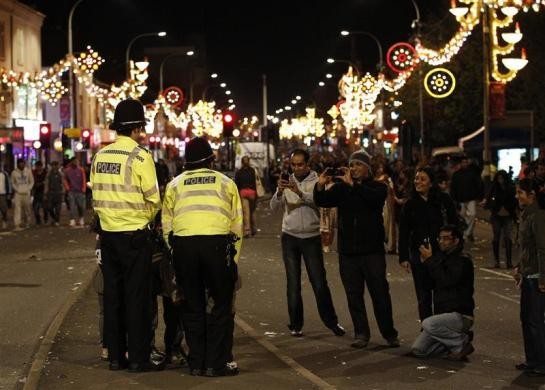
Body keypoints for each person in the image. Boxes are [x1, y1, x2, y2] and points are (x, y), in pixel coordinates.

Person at [90, 98, 162, 372]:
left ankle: (116, 357)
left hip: (108, 237)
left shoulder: (100, 156)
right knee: (137, 298)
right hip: (134, 237)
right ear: (135, 128)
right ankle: (139, 359)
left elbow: (95, 197)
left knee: (113, 297)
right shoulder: (140, 157)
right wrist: (143, 218)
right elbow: (154, 199)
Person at [162, 136, 243, 377]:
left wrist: (175, 251)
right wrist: (233, 261)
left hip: (185, 246)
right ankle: (215, 364)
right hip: (217, 245)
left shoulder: (174, 185)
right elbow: (236, 225)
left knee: (192, 306)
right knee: (220, 306)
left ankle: (196, 363)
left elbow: (167, 225)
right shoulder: (226, 183)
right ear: (210, 160)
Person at [314, 149, 399, 349]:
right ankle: (361, 333)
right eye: (351, 165)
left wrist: (354, 186)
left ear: (367, 168)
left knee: (380, 293)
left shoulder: (378, 187)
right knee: (354, 295)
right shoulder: (342, 189)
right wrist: (320, 185)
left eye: (358, 165)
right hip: (349, 252)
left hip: (372, 251)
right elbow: (322, 200)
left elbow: (374, 200)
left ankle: (389, 333)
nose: (353, 169)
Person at [271, 149, 344, 338]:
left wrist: (300, 192)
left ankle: (332, 322)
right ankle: (295, 324)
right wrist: (279, 192)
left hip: (311, 237)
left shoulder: (316, 181)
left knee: (319, 282)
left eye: (300, 164)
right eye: (293, 164)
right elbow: (273, 208)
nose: (296, 168)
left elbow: (320, 202)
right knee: (293, 283)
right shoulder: (287, 180)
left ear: (307, 164)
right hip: (290, 236)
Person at [398, 167, 459, 322]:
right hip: (419, 254)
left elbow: (455, 225)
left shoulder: (443, 200)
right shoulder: (410, 204)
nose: (418, 182)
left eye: (423, 179)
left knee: (441, 294)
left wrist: (455, 249)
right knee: (423, 296)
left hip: (441, 254)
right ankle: (427, 328)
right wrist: (403, 257)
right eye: (416, 178)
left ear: (431, 183)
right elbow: (404, 232)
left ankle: (439, 327)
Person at [410, 224, 475, 361]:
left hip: (459, 315)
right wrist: (424, 264)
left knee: (428, 324)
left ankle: (460, 342)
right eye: (440, 238)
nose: (441, 241)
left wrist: (430, 261)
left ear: (456, 240)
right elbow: (428, 285)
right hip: (442, 317)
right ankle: (453, 347)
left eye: (446, 238)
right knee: (418, 350)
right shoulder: (440, 258)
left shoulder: (463, 260)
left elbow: (447, 280)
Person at [513, 178, 545, 377]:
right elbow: (524, 248)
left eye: (520, 193)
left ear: (531, 195)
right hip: (527, 275)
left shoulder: (538, 216)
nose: (517, 196)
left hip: (536, 277)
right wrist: (518, 267)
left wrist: (543, 278)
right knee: (526, 319)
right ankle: (531, 360)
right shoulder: (525, 215)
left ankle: (541, 361)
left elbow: (542, 249)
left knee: (535, 322)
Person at [484, 170, 517, 268]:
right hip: (496, 216)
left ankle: (509, 261)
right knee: (496, 237)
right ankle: (496, 261)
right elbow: (489, 199)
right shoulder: (494, 187)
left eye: (502, 178)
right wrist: (492, 207)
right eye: (498, 178)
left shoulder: (511, 188)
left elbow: (514, 200)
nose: (500, 180)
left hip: (508, 215)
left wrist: (509, 209)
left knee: (507, 238)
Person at [450, 157, 484, 241]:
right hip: (460, 200)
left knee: (472, 215)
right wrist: (454, 199)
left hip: (470, 198)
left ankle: (467, 233)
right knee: (462, 217)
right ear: (460, 163)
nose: (464, 164)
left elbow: (478, 184)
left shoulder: (472, 173)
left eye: (466, 162)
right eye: (463, 162)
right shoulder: (456, 174)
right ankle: (466, 232)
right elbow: (453, 187)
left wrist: (479, 196)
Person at [235, 156, 258, 238]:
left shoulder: (239, 172)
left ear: (242, 162)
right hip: (252, 192)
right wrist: (256, 195)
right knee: (252, 212)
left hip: (243, 192)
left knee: (246, 213)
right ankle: (254, 229)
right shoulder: (252, 170)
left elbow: (237, 184)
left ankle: (247, 231)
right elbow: (255, 182)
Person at [10, 159, 34, 231]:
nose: (22, 165)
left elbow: (32, 181)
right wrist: (16, 189)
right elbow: (12, 182)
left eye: (23, 163)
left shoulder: (28, 171)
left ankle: (28, 222)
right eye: (20, 163)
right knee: (17, 209)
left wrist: (28, 188)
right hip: (18, 193)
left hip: (26, 193)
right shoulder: (14, 172)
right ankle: (17, 224)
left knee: (27, 209)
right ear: (18, 164)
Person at [64, 157, 87, 227]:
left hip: (80, 191)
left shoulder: (81, 170)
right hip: (71, 191)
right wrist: (67, 188)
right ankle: (72, 219)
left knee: (81, 206)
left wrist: (84, 189)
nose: (76, 162)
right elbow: (65, 179)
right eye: (74, 161)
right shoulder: (67, 170)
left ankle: (81, 218)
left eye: (77, 161)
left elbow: (84, 179)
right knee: (72, 206)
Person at [44, 161, 64, 226]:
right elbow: (46, 184)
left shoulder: (60, 174)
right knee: (49, 207)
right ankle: (53, 218)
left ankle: (57, 220)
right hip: (51, 193)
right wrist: (45, 193)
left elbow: (63, 183)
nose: (55, 167)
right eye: (53, 165)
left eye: (56, 165)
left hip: (58, 193)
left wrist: (63, 192)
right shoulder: (49, 174)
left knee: (58, 208)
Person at [32, 161, 48, 225]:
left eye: (39, 166)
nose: (38, 168)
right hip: (36, 192)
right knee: (35, 207)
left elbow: (46, 181)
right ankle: (38, 220)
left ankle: (45, 219)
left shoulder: (45, 173)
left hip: (43, 191)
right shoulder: (33, 173)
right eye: (37, 166)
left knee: (45, 207)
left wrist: (42, 183)